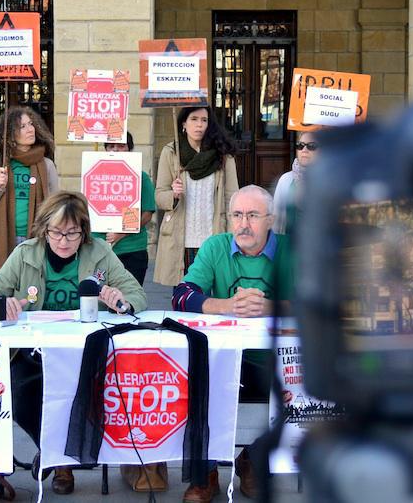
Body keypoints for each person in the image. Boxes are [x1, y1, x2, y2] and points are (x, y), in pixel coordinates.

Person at [0, 191, 146, 496]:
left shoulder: (100, 252)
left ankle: (61, 460)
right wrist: (3, 305)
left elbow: (136, 295)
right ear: (44, 229)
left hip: (84, 352)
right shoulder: (25, 254)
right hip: (34, 351)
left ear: (84, 231)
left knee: (81, 391)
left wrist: (120, 301)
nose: (63, 241)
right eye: (56, 232)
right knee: (18, 394)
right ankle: (55, 451)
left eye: (72, 233)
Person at [171, 185, 292, 503]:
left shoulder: (291, 250)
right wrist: (227, 305)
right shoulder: (216, 246)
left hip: (274, 361)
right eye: (237, 215)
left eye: (253, 215)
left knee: (304, 395)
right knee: (192, 384)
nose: (243, 224)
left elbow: (317, 300)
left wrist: (269, 307)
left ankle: (253, 459)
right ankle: (205, 473)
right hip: (223, 358)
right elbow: (181, 295)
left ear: (271, 220)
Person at [153, 106, 239, 287]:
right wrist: (173, 194)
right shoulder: (171, 152)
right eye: (194, 119)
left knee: (212, 293)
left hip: (214, 237)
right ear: (184, 123)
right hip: (181, 240)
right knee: (184, 294)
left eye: (204, 120)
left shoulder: (222, 154)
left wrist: (233, 235)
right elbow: (160, 196)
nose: (199, 125)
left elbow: (233, 199)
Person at [0, 106, 59, 283]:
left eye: (31, 124)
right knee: (6, 285)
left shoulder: (46, 164)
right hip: (4, 237)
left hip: (37, 236)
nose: (30, 129)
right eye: (22, 126)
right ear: (9, 134)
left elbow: (56, 206)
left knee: (33, 286)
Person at [89, 132, 156, 286]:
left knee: (130, 294)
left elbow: (147, 213)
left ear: (129, 149)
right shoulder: (94, 174)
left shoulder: (141, 177)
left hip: (132, 250)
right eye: (111, 146)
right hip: (99, 249)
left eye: (121, 146)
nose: (115, 150)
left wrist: (122, 233)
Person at [272, 129, 318, 234]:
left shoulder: (330, 182)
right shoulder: (286, 180)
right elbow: (277, 219)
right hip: (290, 241)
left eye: (311, 146)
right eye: (300, 145)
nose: (304, 150)